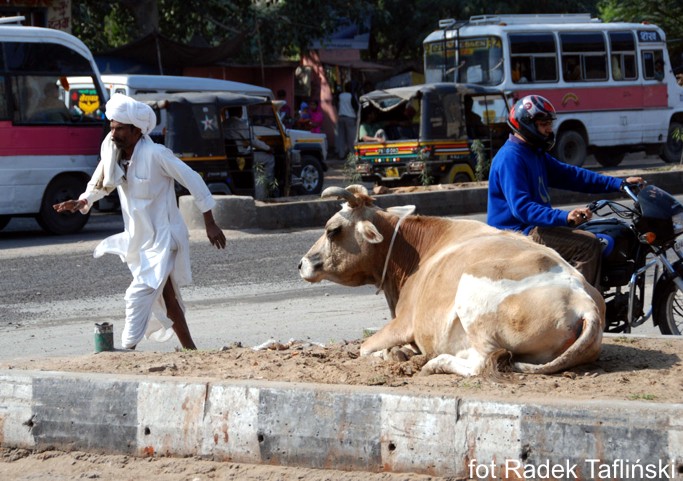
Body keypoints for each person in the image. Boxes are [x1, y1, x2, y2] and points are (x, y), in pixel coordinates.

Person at [52, 93, 226, 351]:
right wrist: (82, 201)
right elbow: (100, 183)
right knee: (167, 296)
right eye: (111, 127)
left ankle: (126, 349)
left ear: (135, 130)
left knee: (138, 294)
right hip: (138, 241)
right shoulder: (114, 154)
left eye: (119, 128)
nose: (113, 133)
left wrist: (209, 222)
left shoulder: (156, 154)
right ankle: (191, 351)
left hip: (164, 239)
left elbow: (193, 179)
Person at [486, 94, 643, 288]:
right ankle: (583, 311)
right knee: (588, 245)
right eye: (543, 124)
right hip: (516, 235)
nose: (549, 130)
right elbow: (522, 208)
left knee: (604, 232)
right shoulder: (511, 157)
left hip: (532, 228)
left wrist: (619, 184)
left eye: (549, 124)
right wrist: (565, 216)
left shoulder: (534, 153)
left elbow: (573, 175)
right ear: (526, 124)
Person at [223, 106, 275, 200]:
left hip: (231, 156)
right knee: (269, 158)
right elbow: (253, 141)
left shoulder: (224, 124)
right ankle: (268, 188)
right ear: (239, 111)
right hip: (242, 156)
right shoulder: (239, 124)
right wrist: (268, 148)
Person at [335, 82, 358, 159]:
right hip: (350, 118)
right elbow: (356, 107)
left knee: (341, 137)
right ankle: (352, 154)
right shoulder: (352, 96)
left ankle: (341, 154)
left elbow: (336, 103)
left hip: (341, 117)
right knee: (351, 137)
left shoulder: (340, 95)